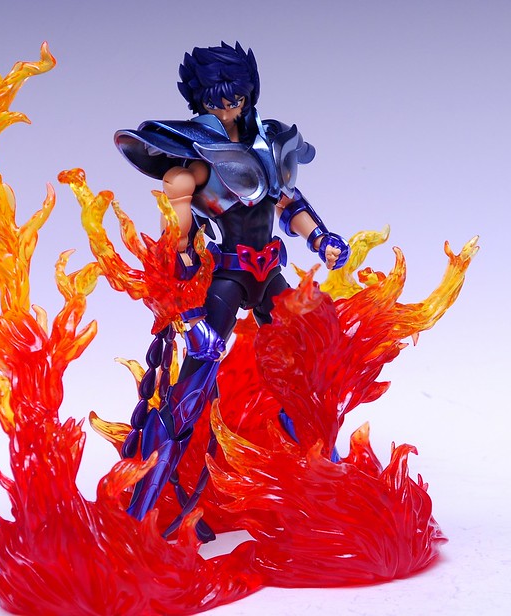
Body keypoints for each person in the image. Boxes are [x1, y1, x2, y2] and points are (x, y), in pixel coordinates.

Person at [114, 42, 350, 535]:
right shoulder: (197, 157)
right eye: (214, 102)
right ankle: (141, 514)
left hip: (270, 273)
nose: (225, 110)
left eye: (233, 100)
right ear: (199, 101)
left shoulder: (273, 144)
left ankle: (328, 483)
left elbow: (288, 204)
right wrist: (184, 270)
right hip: (229, 275)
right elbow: (180, 222)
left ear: (248, 94)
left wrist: (322, 238)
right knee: (194, 379)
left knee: (307, 366)